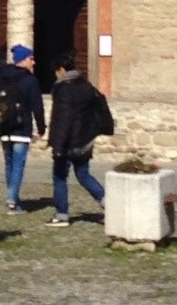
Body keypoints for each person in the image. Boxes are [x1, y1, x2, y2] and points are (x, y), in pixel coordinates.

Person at [46, 50, 112, 226]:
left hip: (69, 141)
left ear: (60, 70)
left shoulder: (63, 89)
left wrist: (58, 146)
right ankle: (108, 203)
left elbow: (63, 119)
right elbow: (100, 103)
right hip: (84, 140)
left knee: (59, 176)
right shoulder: (86, 85)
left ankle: (61, 214)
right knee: (83, 174)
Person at [0, 43, 45, 213]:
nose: (33, 62)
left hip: (5, 126)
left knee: (9, 165)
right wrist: (41, 127)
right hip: (21, 128)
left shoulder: (1, 77)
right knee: (18, 166)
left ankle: (13, 199)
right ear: (22, 60)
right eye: (31, 58)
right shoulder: (29, 80)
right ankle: (12, 200)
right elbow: (37, 106)